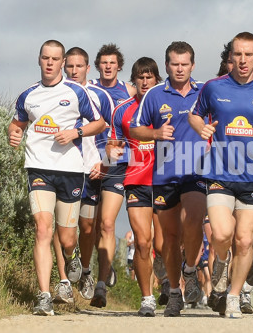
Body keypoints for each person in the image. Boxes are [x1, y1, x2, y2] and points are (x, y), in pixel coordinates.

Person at [189, 32, 253, 318]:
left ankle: (233, 296)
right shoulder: (213, 87)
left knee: (246, 241)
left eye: (249, 55)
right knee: (222, 234)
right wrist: (200, 128)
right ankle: (220, 262)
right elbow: (195, 115)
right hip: (220, 173)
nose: (243, 60)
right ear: (230, 57)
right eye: (238, 54)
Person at [7, 40, 106, 316]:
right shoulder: (28, 95)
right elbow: (17, 123)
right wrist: (13, 133)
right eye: (45, 58)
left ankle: (72, 257)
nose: (50, 63)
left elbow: (100, 123)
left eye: (55, 59)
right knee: (42, 228)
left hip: (71, 171)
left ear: (62, 62)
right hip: (38, 168)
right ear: (39, 60)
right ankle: (44, 296)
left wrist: (76, 133)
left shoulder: (76, 93)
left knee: (67, 240)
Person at [130, 41, 207, 317]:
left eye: (184, 64)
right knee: (169, 239)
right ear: (166, 66)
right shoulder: (154, 95)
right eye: (174, 64)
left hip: (196, 170)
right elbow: (135, 128)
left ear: (192, 65)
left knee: (195, 219)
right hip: (164, 174)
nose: (179, 68)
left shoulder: (204, 91)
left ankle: (190, 268)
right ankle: (175, 291)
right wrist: (155, 134)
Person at [108, 57, 164, 316]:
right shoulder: (122, 110)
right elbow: (114, 147)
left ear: (156, 80)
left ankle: (169, 282)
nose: (144, 81)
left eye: (149, 76)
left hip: (165, 181)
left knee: (163, 245)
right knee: (143, 242)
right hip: (136, 181)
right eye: (140, 77)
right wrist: (110, 155)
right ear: (134, 80)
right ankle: (146, 298)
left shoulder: (167, 106)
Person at [59, 46, 116, 302]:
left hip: (91, 171)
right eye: (69, 66)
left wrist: (104, 163)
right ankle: (63, 281)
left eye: (78, 66)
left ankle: (85, 270)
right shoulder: (55, 93)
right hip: (61, 169)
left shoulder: (100, 95)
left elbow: (116, 135)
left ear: (87, 68)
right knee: (61, 227)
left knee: (87, 226)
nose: (73, 71)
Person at [89, 43, 136, 307]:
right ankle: (103, 267)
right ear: (98, 65)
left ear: (119, 66)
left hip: (116, 163)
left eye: (112, 62)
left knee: (107, 224)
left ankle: (101, 286)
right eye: (103, 62)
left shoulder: (128, 91)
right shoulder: (89, 88)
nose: (108, 66)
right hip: (88, 161)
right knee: (90, 228)